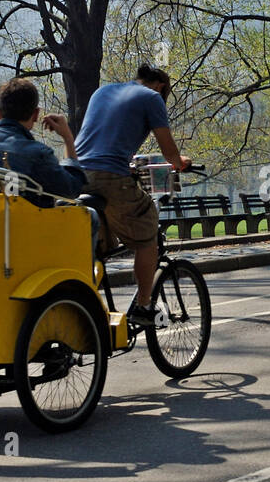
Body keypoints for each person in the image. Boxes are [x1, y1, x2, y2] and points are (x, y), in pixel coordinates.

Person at [74, 63, 191, 326]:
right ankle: (144, 306)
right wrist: (180, 161)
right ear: (161, 87)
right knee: (147, 228)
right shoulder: (152, 98)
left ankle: (88, 305)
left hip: (76, 175)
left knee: (99, 246)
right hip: (109, 178)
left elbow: (100, 140)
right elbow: (170, 153)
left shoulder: (102, 92)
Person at [0, 78, 83, 201]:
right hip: (21, 214)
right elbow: (72, 190)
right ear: (36, 114)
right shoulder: (39, 154)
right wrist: (68, 138)